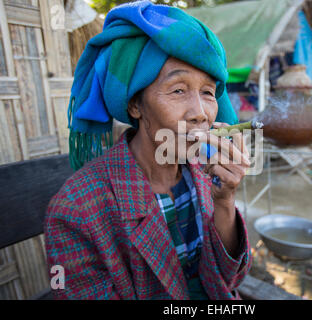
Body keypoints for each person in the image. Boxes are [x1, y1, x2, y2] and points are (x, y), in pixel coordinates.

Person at [44, 1, 252, 300]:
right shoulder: (73, 211)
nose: (200, 113)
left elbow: (230, 280)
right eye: (178, 90)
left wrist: (225, 200)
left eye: (208, 92)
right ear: (135, 105)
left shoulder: (206, 172)